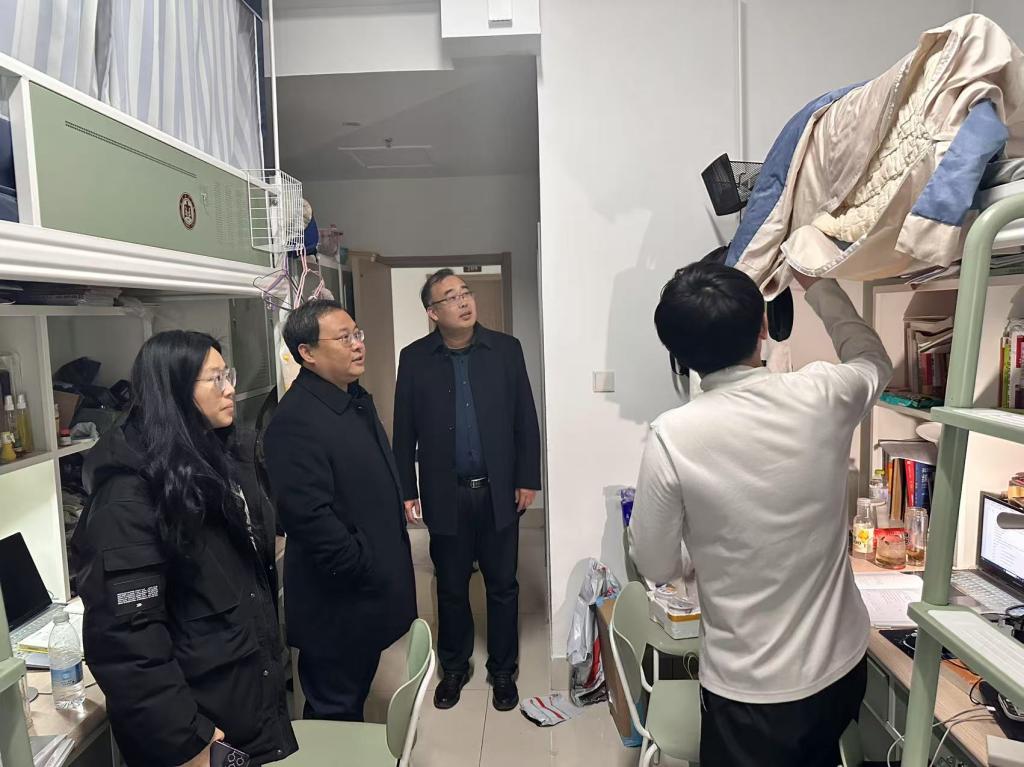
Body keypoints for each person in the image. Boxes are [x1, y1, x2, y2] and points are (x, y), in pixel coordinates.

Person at [629, 263, 893, 767]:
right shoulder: (822, 394)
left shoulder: (673, 435)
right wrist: (819, 284)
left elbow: (656, 566)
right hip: (840, 667)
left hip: (748, 688)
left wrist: (700, 552)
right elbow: (872, 358)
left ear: (678, 354)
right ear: (764, 328)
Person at [73, 331, 296, 766]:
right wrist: (189, 740)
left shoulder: (209, 462)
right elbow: (128, 645)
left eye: (228, 375)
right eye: (216, 379)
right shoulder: (127, 499)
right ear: (173, 390)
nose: (230, 389)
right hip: (194, 738)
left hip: (236, 714)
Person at [393, 269, 541, 712]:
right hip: (445, 492)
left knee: (503, 584)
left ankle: (503, 669)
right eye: (450, 297)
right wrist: (406, 489)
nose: (463, 301)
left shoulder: (506, 350)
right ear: (432, 312)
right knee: (451, 586)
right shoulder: (415, 359)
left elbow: (525, 419)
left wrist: (527, 478)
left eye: (465, 292)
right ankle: (454, 668)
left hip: (498, 491)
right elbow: (404, 430)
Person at [263, 300, 416, 722]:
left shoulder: (352, 400)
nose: (358, 345)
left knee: (354, 692)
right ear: (307, 352)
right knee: (334, 706)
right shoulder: (295, 420)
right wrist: (362, 564)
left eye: (357, 334)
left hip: (364, 594)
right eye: (344, 338)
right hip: (338, 601)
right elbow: (308, 517)